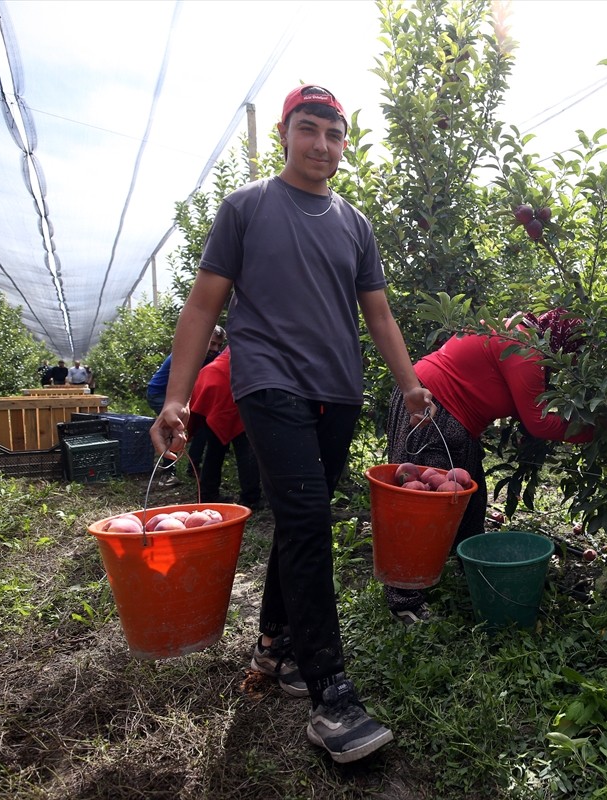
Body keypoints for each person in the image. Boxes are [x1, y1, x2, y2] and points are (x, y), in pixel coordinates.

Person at [149, 83, 432, 764]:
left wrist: (411, 385)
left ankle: (275, 643)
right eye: (310, 130)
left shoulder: (355, 224)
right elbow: (202, 306)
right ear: (284, 133)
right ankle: (331, 692)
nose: (323, 146)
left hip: (339, 391)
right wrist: (178, 398)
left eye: (335, 135)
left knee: (303, 519)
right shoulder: (246, 208)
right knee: (306, 520)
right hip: (269, 382)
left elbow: (380, 315)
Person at [383, 308, 593, 623]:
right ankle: (404, 601)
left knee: (468, 501)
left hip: (452, 413)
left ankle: (466, 573)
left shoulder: (518, 334)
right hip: (432, 407)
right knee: (422, 506)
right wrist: (600, 429)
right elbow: (538, 422)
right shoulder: (527, 349)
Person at [147, 326, 225, 487]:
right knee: (175, 428)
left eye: (219, 345)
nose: (215, 349)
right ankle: (167, 474)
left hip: (185, 397)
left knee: (202, 428)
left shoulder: (213, 357)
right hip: (161, 394)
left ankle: (193, 466)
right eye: (211, 343)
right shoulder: (187, 355)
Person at [188, 346, 262, 510]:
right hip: (225, 387)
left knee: (215, 447)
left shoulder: (241, 337)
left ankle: (208, 495)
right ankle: (251, 498)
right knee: (245, 447)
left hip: (209, 381)